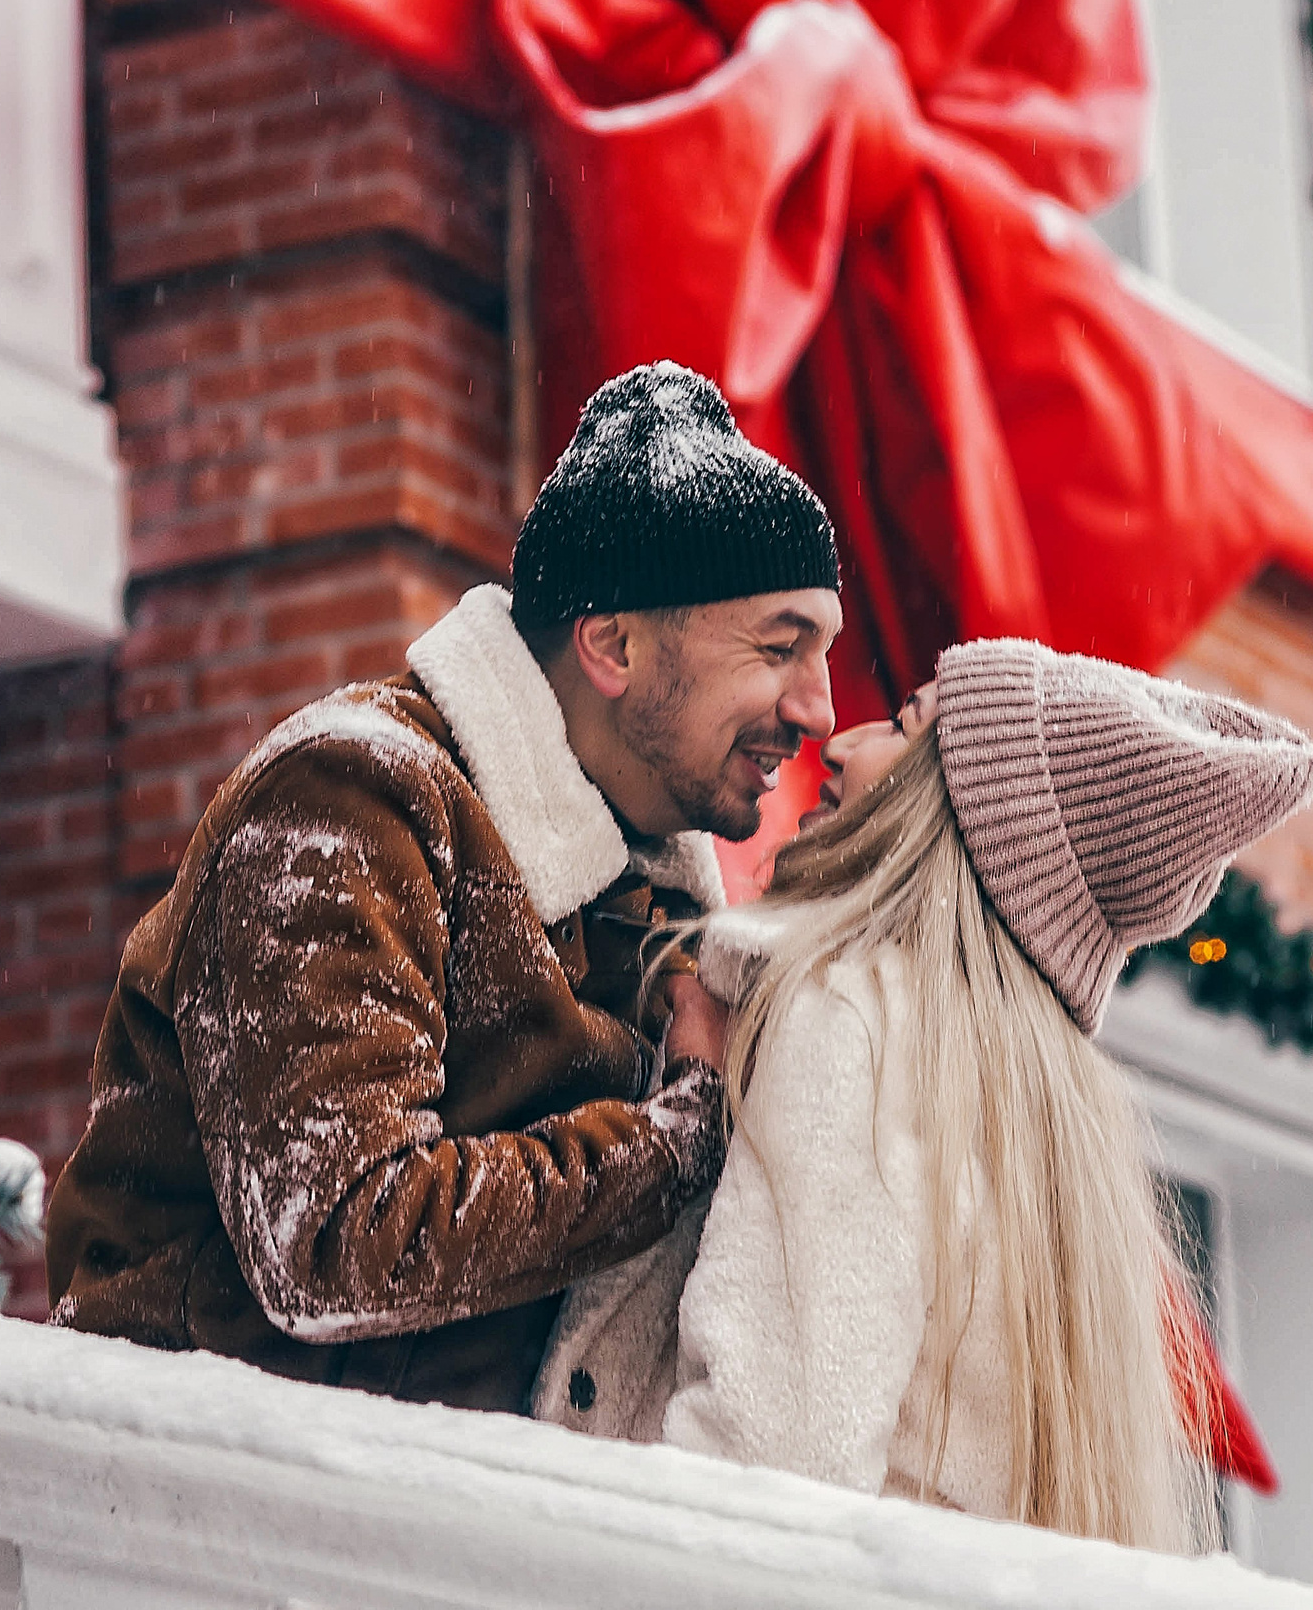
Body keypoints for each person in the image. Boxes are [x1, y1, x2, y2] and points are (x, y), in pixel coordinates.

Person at [45, 361, 842, 1415]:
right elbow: (331, 1244)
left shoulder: (663, 920)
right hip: (217, 1529)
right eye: (780, 647)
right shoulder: (351, 799)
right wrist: (680, 1131)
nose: (820, 708)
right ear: (612, 643)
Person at [538, 640, 1313, 1553]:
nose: (840, 743)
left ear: (952, 816)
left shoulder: (853, 1018)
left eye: (905, 725)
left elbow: (763, 1463)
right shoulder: (1034, 1103)